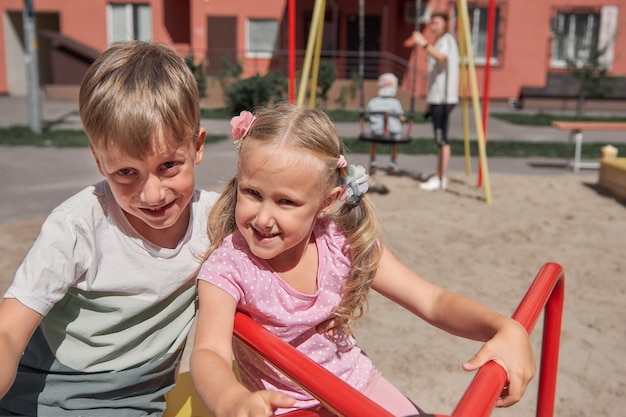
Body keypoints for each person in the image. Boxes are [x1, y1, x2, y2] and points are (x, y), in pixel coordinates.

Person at [190, 103, 535, 417]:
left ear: (328, 201)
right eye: (253, 193)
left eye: (286, 202)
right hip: (287, 407)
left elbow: (432, 300)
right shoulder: (229, 267)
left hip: (356, 383)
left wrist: (503, 327)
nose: (264, 218)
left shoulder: (341, 243)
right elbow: (210, 351)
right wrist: (232, 401)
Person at [0, 40, 219, 416]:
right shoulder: (77, 226)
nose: (152, 193)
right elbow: (8, 331)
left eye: (169, 166)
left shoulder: (215, 222)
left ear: (197, 146)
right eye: (126, 172)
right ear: (99, 162)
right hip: (34, 401)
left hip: (132, 406)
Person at [405, 10, 460, 191]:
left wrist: (423, 43)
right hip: (438, 98)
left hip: (444, 99)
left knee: (441, 139)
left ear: (445, 24)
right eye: (432, 23)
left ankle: (440, 177)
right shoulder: (441, 42)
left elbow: (441, 57)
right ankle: (439, 174)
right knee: (440, 138)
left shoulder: (447, 41)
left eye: (436, 22)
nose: (433, 26)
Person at [366, 73, 406, 175]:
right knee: (394, 143)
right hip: (392, 134)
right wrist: (403, 119)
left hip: (377, 133)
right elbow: (401, 118)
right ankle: (393, 162)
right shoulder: (395, 103)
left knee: (373, 141)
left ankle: (372, 161)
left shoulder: (373, 102)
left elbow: (367, 116)